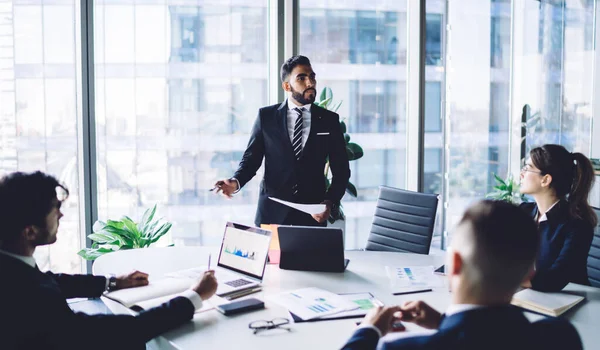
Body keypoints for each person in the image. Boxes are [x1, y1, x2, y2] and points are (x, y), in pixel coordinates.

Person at [0, 171, 218, 350]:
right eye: (54, 210)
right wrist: (194, 296)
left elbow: (51, 281)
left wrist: (113, 282)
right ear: (29, 232)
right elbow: (124, 331)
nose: (61, 215)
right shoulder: (30, 297)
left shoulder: (12, 265)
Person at [342, 200, 583, 350]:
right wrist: (443, 322)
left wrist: (368, 330)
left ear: (454, 264)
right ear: (530, 271)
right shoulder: (560, 337)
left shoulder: (400, 348)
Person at [213, 55, 350, 227]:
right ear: (287, 86)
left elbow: (342, 171)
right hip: (272, 214)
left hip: (312, 216)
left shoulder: (329, 120)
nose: (310, 83)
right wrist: (235, 182)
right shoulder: (266, 117)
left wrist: (329, 202)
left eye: (312, 77)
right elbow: (251, 160)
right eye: (302, 78)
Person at [519, 144, 597, 292]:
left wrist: (504, 277)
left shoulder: (578, 225)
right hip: (532, 294)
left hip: (570, 301)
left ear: (545, 180)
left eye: (527, 168)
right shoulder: (524, 212)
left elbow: (555, 278)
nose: (521, 173)